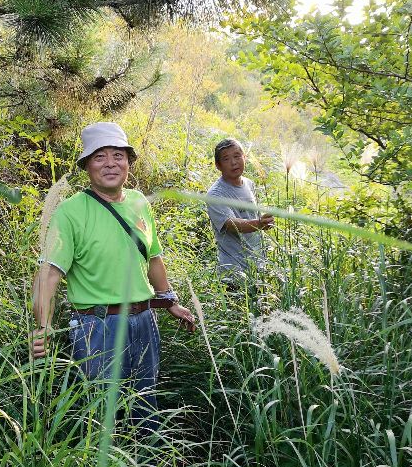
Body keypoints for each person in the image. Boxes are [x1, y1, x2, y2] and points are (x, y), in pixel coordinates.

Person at [31, 122, 195, 435]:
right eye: (99, 157)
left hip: (145, 322)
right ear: (86, 166)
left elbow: (153, 259)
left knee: (146, 407)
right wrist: (42, 328)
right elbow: (49, 276)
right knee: (103, 414)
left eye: (118, 155)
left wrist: (170, 300)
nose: (110, 163)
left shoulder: (139, 203)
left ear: (129, 162)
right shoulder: (70, 212)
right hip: (98, 328)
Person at [206, 138, 274, 282]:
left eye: (237, 156)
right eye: (226, 159)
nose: (233, 162)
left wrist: (263, 221)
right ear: (218, 165)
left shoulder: (249, 184)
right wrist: (259, 223)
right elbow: (231, 225)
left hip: (258, 267)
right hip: (234, 273)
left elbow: (251, 215)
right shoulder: (215, 194)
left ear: (245, 157)